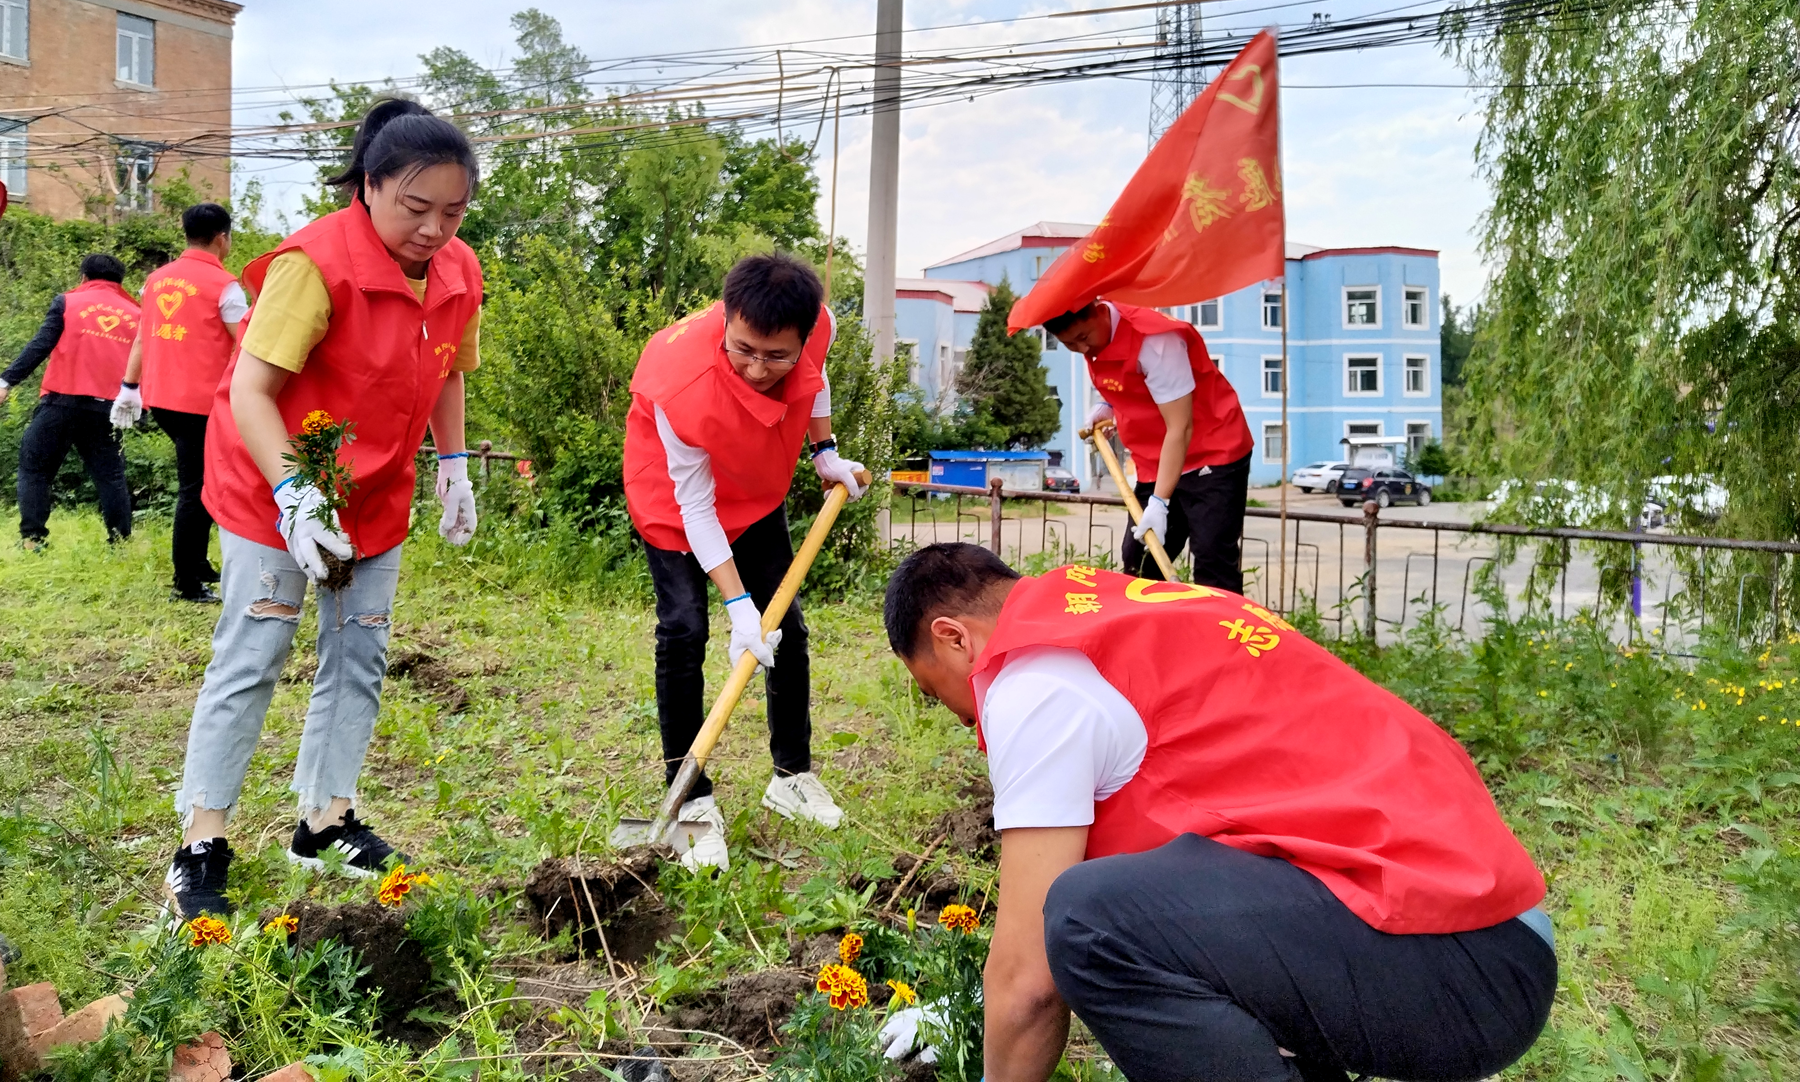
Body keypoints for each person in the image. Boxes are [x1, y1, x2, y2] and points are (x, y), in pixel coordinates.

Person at [880, 543, 1555, 1082]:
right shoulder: (1118, 618)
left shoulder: (1032, 681)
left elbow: (1029, 983)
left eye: (941, 694)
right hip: (1471, 926)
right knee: (1134, 923)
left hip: (1459, 956)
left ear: (955, 638)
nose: (968, 719)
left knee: (1087, 919)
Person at [162, 98, 483, 918]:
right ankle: (201, 841)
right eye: (416, 208)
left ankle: (325, 821)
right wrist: (296, 494)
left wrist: (452, 462)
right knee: (256, 651)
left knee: (359, 656)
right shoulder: (316, 265)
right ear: (369, 186)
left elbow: (446, 368)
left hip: (373, 492)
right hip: (274, 484)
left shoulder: (458, 271)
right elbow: (249, 390)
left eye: (452, 211)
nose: (433, 229)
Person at [622, 252, 867, 872]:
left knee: (788, 627)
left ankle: (791, 777)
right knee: (685, 630)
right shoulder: (678, 380)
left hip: (756, 488)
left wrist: (825, 451)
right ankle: (691, 804)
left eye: (775, 355)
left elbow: (816, 380)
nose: (758, 368)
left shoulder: (816, 327)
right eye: (743, 349)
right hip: (676, 500)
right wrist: (736, 608)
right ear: (726, 319)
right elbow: (696, 507)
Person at [1044, 301, 1253, 592]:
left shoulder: (1155, 341)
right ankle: (1156, 632)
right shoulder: (1095, 341)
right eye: (1069, 344)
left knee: (1212, 561)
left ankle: (1227, 634)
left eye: (1083, 337)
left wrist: (1160, 503)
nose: (1081, 349)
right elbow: (1134, 383)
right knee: (1140, 560)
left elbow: (1181, 427)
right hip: (1157, 458)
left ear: (1100, 311)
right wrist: (1110, 405)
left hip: (1212, 452)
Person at [111, 202, 247, 602]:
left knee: (203, 481)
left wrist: (129, 387)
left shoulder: (156, 280)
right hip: (203, 403)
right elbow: (247, 343)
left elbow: (142, 338)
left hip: (163, 400)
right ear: (223, 238)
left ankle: (199, 563)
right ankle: (187, 581)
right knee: (199, 487)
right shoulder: (224, 285)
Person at [0, 254, 140, 549]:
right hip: (109, 407)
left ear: (84, 277)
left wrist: (6, 380)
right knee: (111, 476)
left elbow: (41, 344)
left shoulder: (68, 302)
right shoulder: (137, 313)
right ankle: (120, 542)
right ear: (119, 281)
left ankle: (33, 539)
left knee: (34, 468)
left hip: (61, 402)